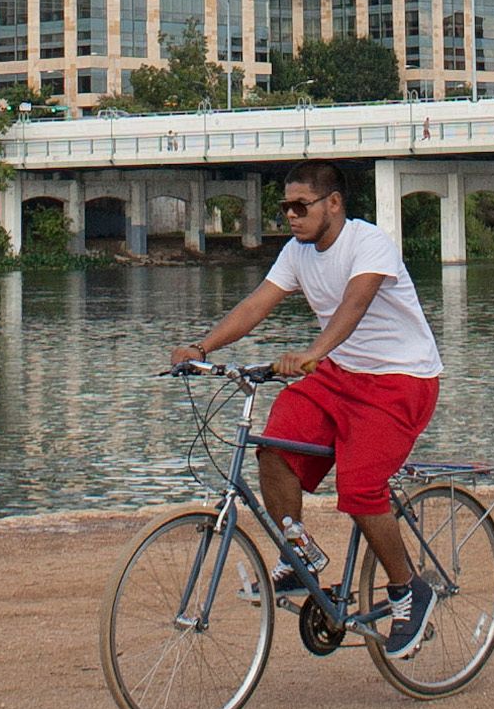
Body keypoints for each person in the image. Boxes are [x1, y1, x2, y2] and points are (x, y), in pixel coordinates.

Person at [166, 161, 444, 658]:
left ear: (333, 203)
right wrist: (201, 348)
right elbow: (257, 304)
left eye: (301, 206)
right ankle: (298, 554)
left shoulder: (368, 243)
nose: (291, 216)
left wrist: (314, 354)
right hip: (338, 375)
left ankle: (409, 591)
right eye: (285, 208)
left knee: (360, 490)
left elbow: (354, 306)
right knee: (272, 449)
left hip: (400, 380)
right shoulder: (297, 253)